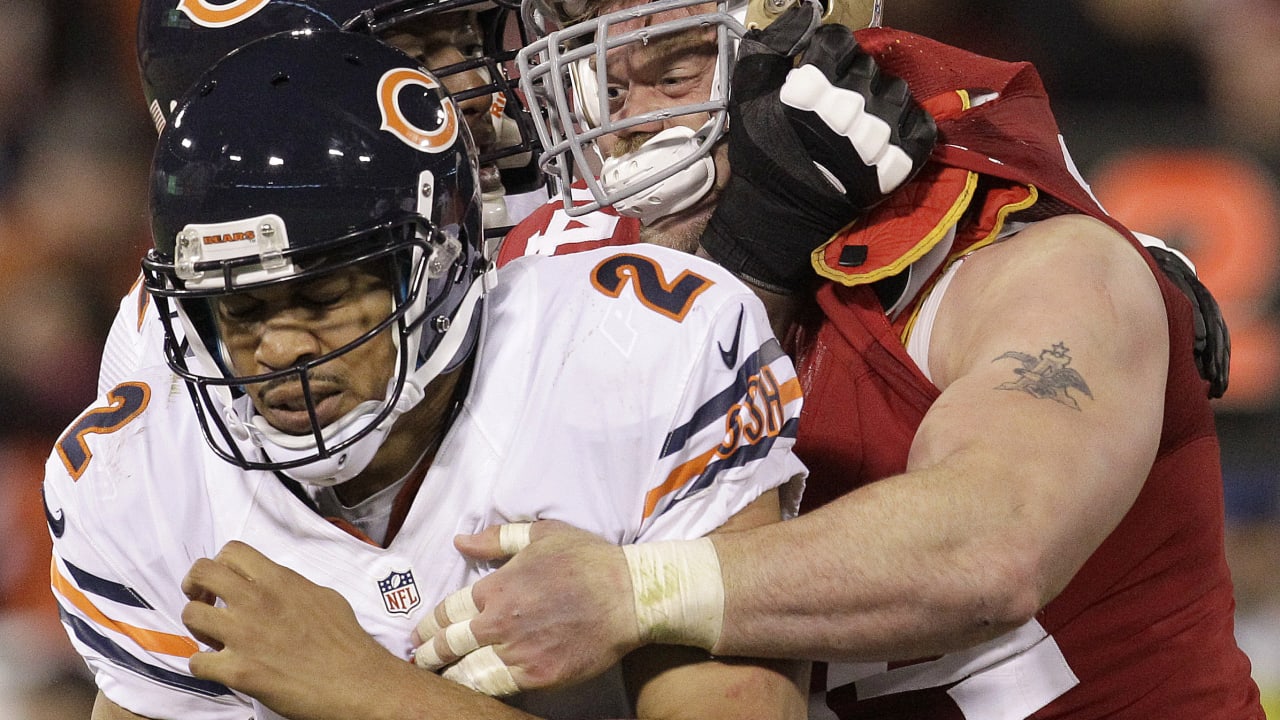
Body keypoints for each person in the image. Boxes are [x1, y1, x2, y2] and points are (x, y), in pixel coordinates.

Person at [400, 0, 1262, 717]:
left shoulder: (1032, 267)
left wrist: (636, 590)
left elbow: (992, 551)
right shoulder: (578, 273)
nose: (630, 130)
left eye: (671, 74)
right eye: (598, 85)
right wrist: (747, 278)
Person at [45, 29, 809, 719]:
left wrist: (367, 689)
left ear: (438, 267)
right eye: (240, 311)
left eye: (319, 295)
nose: (276, 350)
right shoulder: (136, 477)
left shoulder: (635, 352)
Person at [98, 0, 553, 396]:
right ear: (264, 103)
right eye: (412, 60)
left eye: (472, 46)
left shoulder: (564, 224)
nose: (475, 89)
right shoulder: (165, 367)